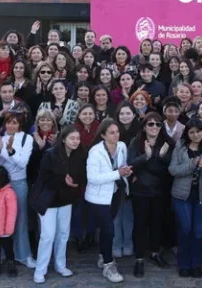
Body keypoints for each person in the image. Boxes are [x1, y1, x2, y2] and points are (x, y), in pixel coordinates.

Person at [30, 125, 86, 284]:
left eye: (77, 138)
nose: (76, 141)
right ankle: (40, 269)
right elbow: (43, 178)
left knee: (63, 234)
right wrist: (62, 179)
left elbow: (82, 173)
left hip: (66, 199)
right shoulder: (50, 154)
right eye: (72, 138)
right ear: (63, 139)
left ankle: (60, 265)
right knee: (47, 236)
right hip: (48, 200)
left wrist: (76, 183)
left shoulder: (80, 154)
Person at [0, 112, 36, 271]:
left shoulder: (27, 139)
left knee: (20, 219)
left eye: (15, 122)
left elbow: (21, 163)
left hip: (18, 183)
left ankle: (23, 254)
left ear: (20, 124)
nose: (11, 125)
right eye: (8, 122)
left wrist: (6, 151)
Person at [168, 119, 202, 278]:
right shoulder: (180, 147)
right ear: (187, 134)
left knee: (199, 231)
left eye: (198, 131)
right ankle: (183, 263)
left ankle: (196, 263)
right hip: (182, 196)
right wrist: (191, 164)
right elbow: (173, 170)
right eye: (192, 132)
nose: (196, 135)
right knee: (185, 229)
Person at [127, 112, 174, 277]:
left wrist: (160, 157)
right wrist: (146, 157)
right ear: (144, 126)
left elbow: (171, 169)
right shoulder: (136, 142)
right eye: (150, 124)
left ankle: (155, 252)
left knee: (157, 223)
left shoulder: (167, 143)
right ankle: (139, 258)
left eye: (158, 124)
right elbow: (131, 165)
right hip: (140, 190)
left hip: (160, 190)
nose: (154, 127)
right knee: (140, 224)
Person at [85, 119, 132, 283]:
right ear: (103, 135)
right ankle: (108, 264)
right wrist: (117, 173)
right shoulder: (95, 152)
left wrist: (125, 173)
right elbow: (92, 178)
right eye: (112, 132)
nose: (116, 135)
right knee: (109, 230)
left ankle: (102, 254)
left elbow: (122, 165)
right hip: (98, 198)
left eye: (117, 131)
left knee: (107, 230)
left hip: (116, 193)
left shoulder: (122, 147)